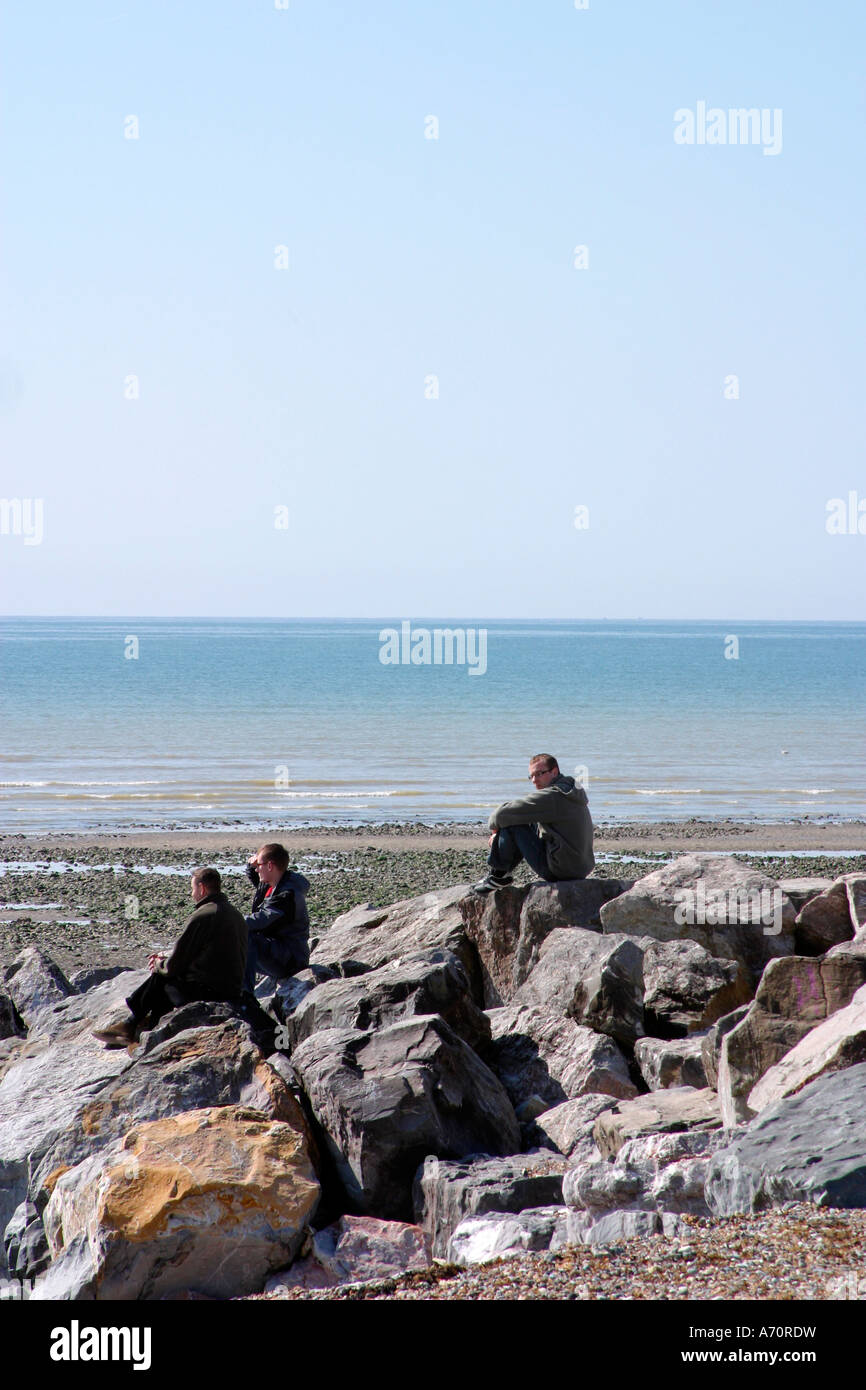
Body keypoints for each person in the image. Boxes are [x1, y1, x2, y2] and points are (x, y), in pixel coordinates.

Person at [92, 867, 248, 1048]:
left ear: (202, 889)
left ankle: (132, 1024)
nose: (192, 894)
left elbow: (175, 964)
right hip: (232, 989)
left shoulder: (205, 914)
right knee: (168, 980)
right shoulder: (235, 914)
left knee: (162, 978)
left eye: (193, 889)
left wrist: (159, 964)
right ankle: (144, 1030)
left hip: (212, 992)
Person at [473, 754, 595, 892]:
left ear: (554, 772)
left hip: (561, 871)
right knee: (523, 818)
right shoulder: (569, 790)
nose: (534, 781)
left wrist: (495, 831)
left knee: (513, 825)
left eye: (539, 774)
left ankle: (498, 875)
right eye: (531, 776)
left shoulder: (553, 796)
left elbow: (501, 814)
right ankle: (500, 874)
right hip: (579, 869)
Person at [243, 843, 311, 993]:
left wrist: (229, 921)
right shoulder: (274, 884)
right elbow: (256, 876)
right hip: (282, 952)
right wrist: (251, 864)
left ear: (270, 866)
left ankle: (245, 994)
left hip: (291, 961)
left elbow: (260, 920)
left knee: (245, 937)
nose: (256, 868)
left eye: (259, 865)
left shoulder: (285, 896)